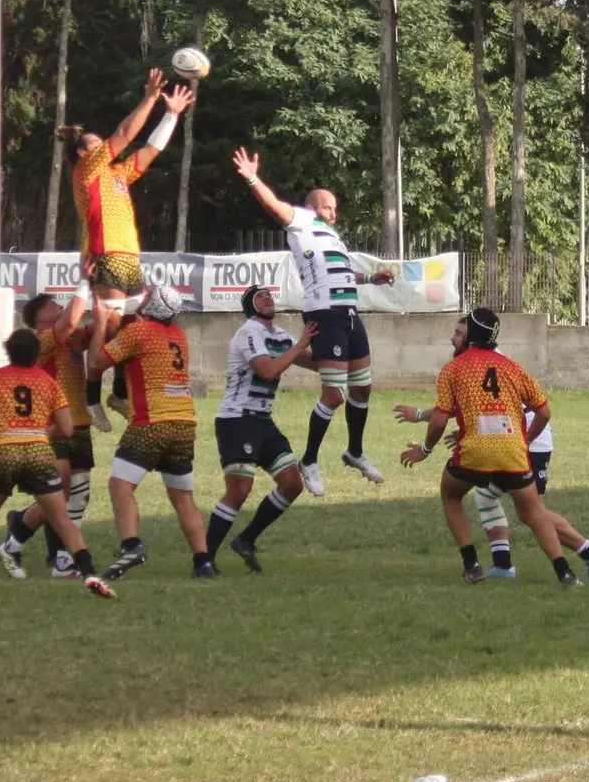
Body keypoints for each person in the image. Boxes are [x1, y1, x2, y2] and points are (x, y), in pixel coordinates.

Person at [393, 316, 589, 581]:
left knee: (530, 512)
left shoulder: (465, 366)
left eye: (459, 333)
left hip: (528, 441)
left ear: (472, 336)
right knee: (493, 499)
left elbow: (456, 410)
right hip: (512, 442)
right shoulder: (506, 365)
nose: (453, 338)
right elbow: (484, 408)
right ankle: (509, 566)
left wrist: (432, 434)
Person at [232, 146, 395, 497]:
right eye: (328, 206)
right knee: (334, 395)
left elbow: (341, 272)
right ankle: (308, 460)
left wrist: (370, 279)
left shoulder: (331, 237)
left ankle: (354, 451)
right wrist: (252, 179)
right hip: (326, 314)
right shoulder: (302, 222)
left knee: (363, 387)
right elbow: (275, 207)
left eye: (335, 208)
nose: (334, 212)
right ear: (312, 207)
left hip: (349, 314)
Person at [58, 69, 193, 431]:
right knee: (110, 326)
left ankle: (117, 393)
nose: (103, 146)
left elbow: (149, 150)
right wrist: (150, 98)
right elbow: (124, 134)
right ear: (82, 153)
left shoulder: (116, 175)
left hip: (130, 258)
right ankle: (91, 399)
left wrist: (171, 115)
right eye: (95, 143)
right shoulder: (86, 171)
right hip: (106, 255)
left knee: (130, 330)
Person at [0, 328, 114, 599]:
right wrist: (41, 435)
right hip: (40, 454)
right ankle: (89, 574)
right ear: (36, 353)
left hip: (4, 453)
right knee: (63, 520)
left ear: (8, 351)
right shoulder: (48, 382)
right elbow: (66, 428)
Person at [88, 285, 215, 580]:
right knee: (183, 497)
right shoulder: (178, 336)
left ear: (152, 306)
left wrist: (100, 324)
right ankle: (203, 562)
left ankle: (131, 546)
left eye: (147, 298)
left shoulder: (138, 334)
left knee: (120, 485)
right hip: (184, 422)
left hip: (152, 422)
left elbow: (95, 363)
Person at [205, 285, 318, 573]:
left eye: (269, 294)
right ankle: (204, 558)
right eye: (260, 296)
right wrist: (300, 345)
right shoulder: (249, 332)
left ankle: (246, 540)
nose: (268, 298)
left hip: (263, 421)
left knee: (292, 483)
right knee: (239, 490)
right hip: (237, 420)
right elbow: (267, 371)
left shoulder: (280, 335)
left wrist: (335, 343)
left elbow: (316, 363)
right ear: (250, 306)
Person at [0, 289, 96, 579]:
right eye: (53, 304)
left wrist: (111, 303)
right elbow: (69, 321)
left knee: (79, 494)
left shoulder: (73, 336)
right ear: (41, 316)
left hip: (79, 424)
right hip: (51, 426)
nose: (60, 305)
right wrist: (85, 283)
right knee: (59, 492)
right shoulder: (42, 340)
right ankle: (25, 540)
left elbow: (100, 329)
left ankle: (58, 556)